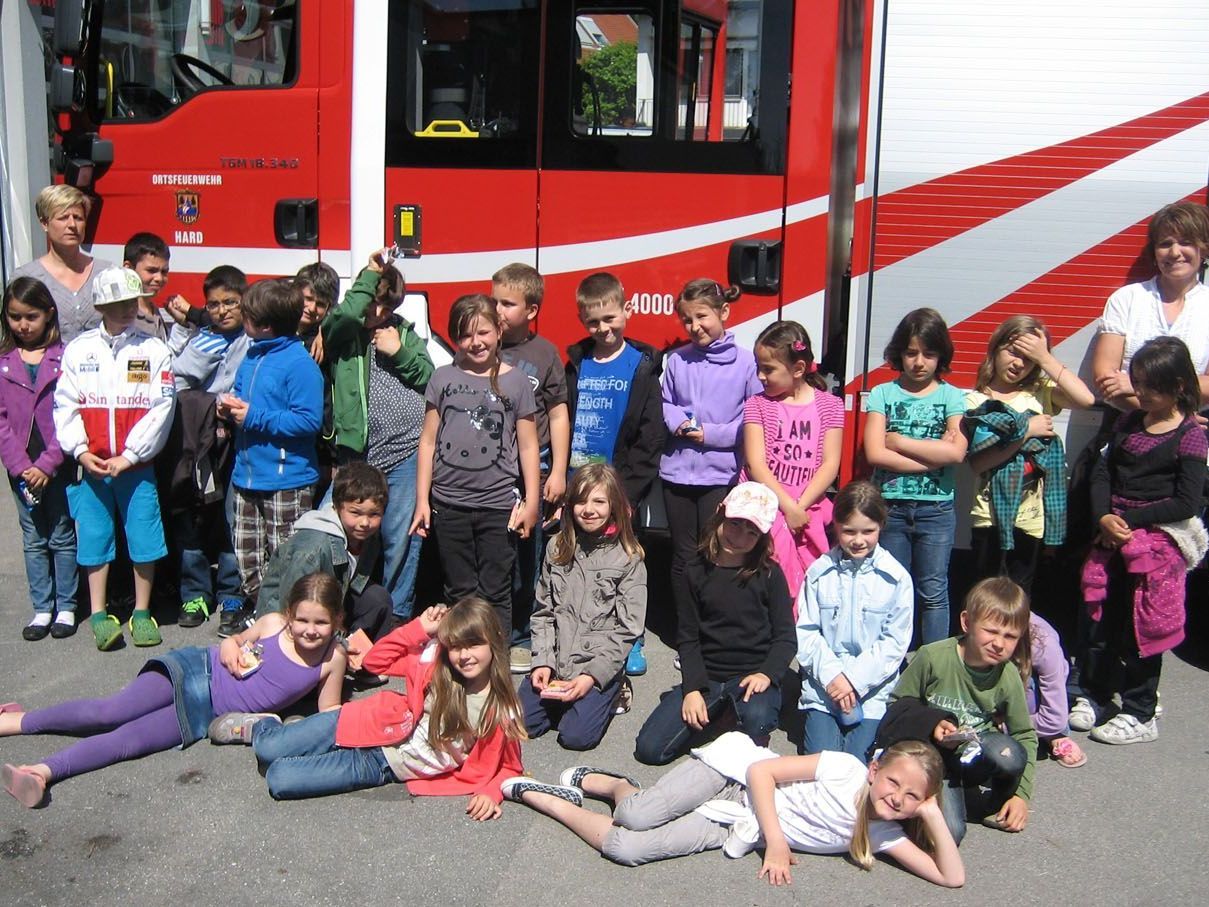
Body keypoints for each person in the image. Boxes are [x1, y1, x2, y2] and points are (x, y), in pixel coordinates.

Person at [0, 572, 346, 808]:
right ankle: (16, 720)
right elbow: (237, 640)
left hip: (205, 713)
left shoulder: (332, 658)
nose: (310, 630)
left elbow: (328, 712)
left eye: (321, 622)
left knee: (127, 743)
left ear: (337, 622)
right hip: (196, 670)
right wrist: (231, 644)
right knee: (111, 712)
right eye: (302, 619)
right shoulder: (272, 624)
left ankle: (40, 773)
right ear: (289, 614)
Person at [501, 732, 963, 888]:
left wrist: (931, 815)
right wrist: (777, 843)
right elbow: (762, 772)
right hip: (733, 777)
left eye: (912, 797)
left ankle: (544, 798)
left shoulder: (884, 834)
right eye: (894, 782)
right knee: (633, 815)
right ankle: (616, 784)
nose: (898, 798)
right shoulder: (845, 770)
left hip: (736, 823)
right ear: (874, 769)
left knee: (626, 847)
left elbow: (951, 878)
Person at [226, 596, 524, 811]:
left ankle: (298, 736)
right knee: (267, 748)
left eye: (474, 645)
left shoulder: (500, 709)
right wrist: (419, 629)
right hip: (366, 722)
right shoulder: (436, 663)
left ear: (494, 640)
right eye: (456, 646)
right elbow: (374, 661)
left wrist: (491, 793)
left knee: (279, 779)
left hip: (381, 764)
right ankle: (265, 725)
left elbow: (511, 766)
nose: (464, 655)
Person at [1074, 336, 1207, 745]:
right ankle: (1095, 694)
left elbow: (1186, 502)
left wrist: (1126, 519)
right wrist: (1103, 515)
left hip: (1157, 548)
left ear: (1179, 386)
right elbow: (1102, 471)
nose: (1141, 392)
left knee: (1144, 630)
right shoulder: (1128, 423)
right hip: (1112, 538)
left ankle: (1140, 710)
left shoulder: (1190, 436)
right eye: (1138, 382)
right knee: (1100, 622)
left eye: (1152, 385)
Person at [53, 266, 175, 651]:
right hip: (92, 466)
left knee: (144, 537)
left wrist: (131, 455)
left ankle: (141, 612)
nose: (127, 309)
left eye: (131, 302)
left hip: (136, 468)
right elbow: (65, 404)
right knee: (94, 538)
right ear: (100, 305)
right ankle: (99, 614)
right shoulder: (79, 349)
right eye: (117, 303)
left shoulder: (153, 349)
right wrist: (80, 450)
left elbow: (162, 407)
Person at [634, 482, 794, 765]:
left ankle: (745, 710)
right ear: (721, 513)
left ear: (763, 536)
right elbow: (688, 636)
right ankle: (721, 711)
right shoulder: (694, 570)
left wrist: (767, 674)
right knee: (650, 749)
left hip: (751, 675)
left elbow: (785, 637)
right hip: (708, 675)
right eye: (734, 524)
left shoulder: (769, 574)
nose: (739, 537)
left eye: (752, 532)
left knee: (757, 721)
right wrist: (692, 689)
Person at [411, 295, 540, 638]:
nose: (476, 342)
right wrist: (422, 500)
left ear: (499, 331)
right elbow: (428, 441)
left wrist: (532, 501)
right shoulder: (442, 378)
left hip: (498, 506)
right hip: (449, 504)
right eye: (465, 335)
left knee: (496, 588)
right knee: (459, 588)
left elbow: (528, 445)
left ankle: (495, 656)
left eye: (483, 332)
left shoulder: (516, 382)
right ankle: (461, 651)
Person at [877, 577, 1037, 845]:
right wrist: (933, 723)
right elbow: (898, 704)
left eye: (1010, 636)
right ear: (966, 622)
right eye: (991, 631)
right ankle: (927, 800)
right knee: (949, 834)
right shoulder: (933, 656)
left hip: (974, 753)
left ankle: (998, 802)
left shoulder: (1007, 675)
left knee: (1009, 754)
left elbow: (1025, 735)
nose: (999, 643)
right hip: (933, 755)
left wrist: (1021, 795)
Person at [324, 250, 433, 620]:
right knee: (338, 528)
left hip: (404, 449)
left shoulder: (402, 331)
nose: (380, 313)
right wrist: (371, 273)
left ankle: (396, 613)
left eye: (388, 307)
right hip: (359, 454)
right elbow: (346, 315)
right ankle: (333, 606)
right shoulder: (343, 332)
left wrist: (399, 352)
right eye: (374, 304)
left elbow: (429, 378)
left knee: (400, 535)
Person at [565, 273, 664, 675]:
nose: (603, 328)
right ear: (581, 320)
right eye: (593, 322)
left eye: (610, 318)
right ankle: (581, 631)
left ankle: (630, 637)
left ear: (627, 310)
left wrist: (629, 492)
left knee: (624, 564)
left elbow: (650, 437)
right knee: (578, 561)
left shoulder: (641, 367)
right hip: (577, 485)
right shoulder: (577, 364)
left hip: (620, 489)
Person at [217, 278, 323, 629]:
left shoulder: (299, 364)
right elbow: (245, 400)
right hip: (246, 476)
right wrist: (229, 408)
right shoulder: (252, 355)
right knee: (247, 559)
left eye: (246, 315)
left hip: (286, 480)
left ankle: (286, 623)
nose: (240, 318)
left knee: (287, 560)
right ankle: (266, 616)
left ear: (264, 325)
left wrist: (253, 416)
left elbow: (309, 420)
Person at [521, 463, 646, 750]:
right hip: (557, 661)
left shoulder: (628, 558)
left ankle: (613, 690)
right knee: (521, 723)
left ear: (614, 506)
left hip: (596, 664)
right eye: (580, 501)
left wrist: (592, 676)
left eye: (599, 501)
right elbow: (543, 612)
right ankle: (565, 702)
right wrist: (542, 662)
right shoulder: (557, 548)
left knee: (575, 737)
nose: (588, 510)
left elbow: (628, 629)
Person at [964, 316, 1094, 591]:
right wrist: (1026, 431)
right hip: (989, 517)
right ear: (995, 348)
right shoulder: (976, 401)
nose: (1019, 364)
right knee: (984, 592)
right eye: (1012, 352)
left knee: (1020, 595)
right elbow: (978, 463)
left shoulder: (1040, 394)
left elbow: (1086, 399)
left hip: (1030, 520)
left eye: (1028, 359)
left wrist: (1045, 358)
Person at [862, 308, 967, 644]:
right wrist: (934, 458)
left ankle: (932, 661)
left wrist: (900, 442)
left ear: (941, 355)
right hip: (890, 507)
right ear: (899, 353)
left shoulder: (952, 396)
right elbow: (875, 453)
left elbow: (957, 453)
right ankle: (890, 659)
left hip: (936, 509)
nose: (919, 362)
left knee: (933, 590)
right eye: (911, 353)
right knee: (892, 588)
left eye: (929, 354)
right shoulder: (883, 393)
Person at [797, 481, 911, 762]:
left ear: (881, 526)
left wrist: (853, 680)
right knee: (822, 764)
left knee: (858, 765)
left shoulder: (896, 578)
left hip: (872, 692)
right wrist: (833, 677)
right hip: (824, 688)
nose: (858, 540)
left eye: (868, 531)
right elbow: (806, 631)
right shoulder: (819, 573)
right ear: (836, 526)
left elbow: (894, 642)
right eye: (849, 531)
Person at [163, 265, 251, 631]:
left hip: (241, 443)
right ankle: (195, 592)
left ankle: (232, 591)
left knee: (234, 516)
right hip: (200, 442)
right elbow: (177, 382)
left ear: (245, 301)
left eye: (230, 302)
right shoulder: (204, 341)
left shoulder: (253, 339)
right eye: (213, 305)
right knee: (193, 514)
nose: (222, 311)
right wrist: (209, 405)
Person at [493, 262, 570, 675]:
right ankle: (490, 631)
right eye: (495, 301)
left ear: (532, 310)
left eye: (508, 303)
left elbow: (557, 414)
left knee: (527, 554)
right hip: (488, 468)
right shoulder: (482, 344)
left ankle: (523, 635)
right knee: (491, 553)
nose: (498, 310)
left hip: (532, 468)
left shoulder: (544, 354)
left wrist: (557, 471)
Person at [0, 277, 77, 640]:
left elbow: (71, 414)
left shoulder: (65, 358)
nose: (23, 325)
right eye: (14, 317)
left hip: (55, 464)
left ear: (48, 314)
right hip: (20, 467)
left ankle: (67, 606)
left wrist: (48, 463)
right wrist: (20, 466)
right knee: (33, 537)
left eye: (31, 316)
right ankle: (42, 608)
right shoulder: (4, 362)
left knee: (61, 534)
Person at [742, 320, 842, 598]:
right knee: (766, 578)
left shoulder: (830, 406)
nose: (760, 376)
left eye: (768, 369)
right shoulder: (757, 405)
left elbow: (830, 464)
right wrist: (788, 507)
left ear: (798, 369)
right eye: (758, 367)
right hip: (767, 507)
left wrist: (801, 507)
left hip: (808, 509)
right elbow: (756, 464)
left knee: (808, 582)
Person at [254, 461, 393, 643]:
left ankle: (365, 654)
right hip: (290, 620)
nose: (365, 522)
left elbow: (354, 585)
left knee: (378, 600)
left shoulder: (366, 536)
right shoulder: (312, 549)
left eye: (374, 514)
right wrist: (336, 639)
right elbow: (292, 604)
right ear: (337, 507)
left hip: (330, 606)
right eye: (356, 513)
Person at [1092, 201, 1209, 411]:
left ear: (1204, 249)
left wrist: (1138, 385)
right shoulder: (1126, 298)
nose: (1175, 252)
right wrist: (1158, 415)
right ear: (1154, 251)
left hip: (1191, 425)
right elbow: (1105, 377)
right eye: (1165, 244)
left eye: (1186, 242)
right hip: (1129, 421)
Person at [12, 185, 110, 342]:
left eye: (78, 218)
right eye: (63, 218)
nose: (72, 225)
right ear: (44, 223)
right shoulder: (27, 277)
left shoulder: (106, 273)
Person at [1023, 612, 1086, 768]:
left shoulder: (1043, 644)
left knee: (1029, 680)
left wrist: (1007, 726)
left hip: (1035, 694)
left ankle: (1053, 734)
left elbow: (1054, 718)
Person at [122, 232, 173, 344]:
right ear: (128, 268)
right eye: (151, 270)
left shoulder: (153, 311)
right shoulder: (121, 317)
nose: (159, 278)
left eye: (164, 271)